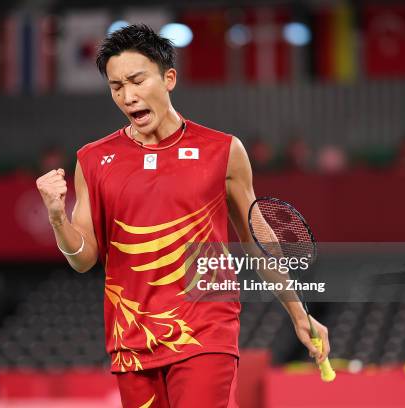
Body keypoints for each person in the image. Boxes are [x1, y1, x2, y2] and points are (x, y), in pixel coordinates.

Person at [36, 24, 330, 408]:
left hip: (206, 333)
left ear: (169, 78)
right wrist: (58, 218)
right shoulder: (93, 159)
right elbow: (84, 259)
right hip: (131, 340)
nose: (128, 96)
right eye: (116, 86)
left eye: (137, 81)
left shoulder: (223, 151)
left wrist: (298, 312)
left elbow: (259, 243)